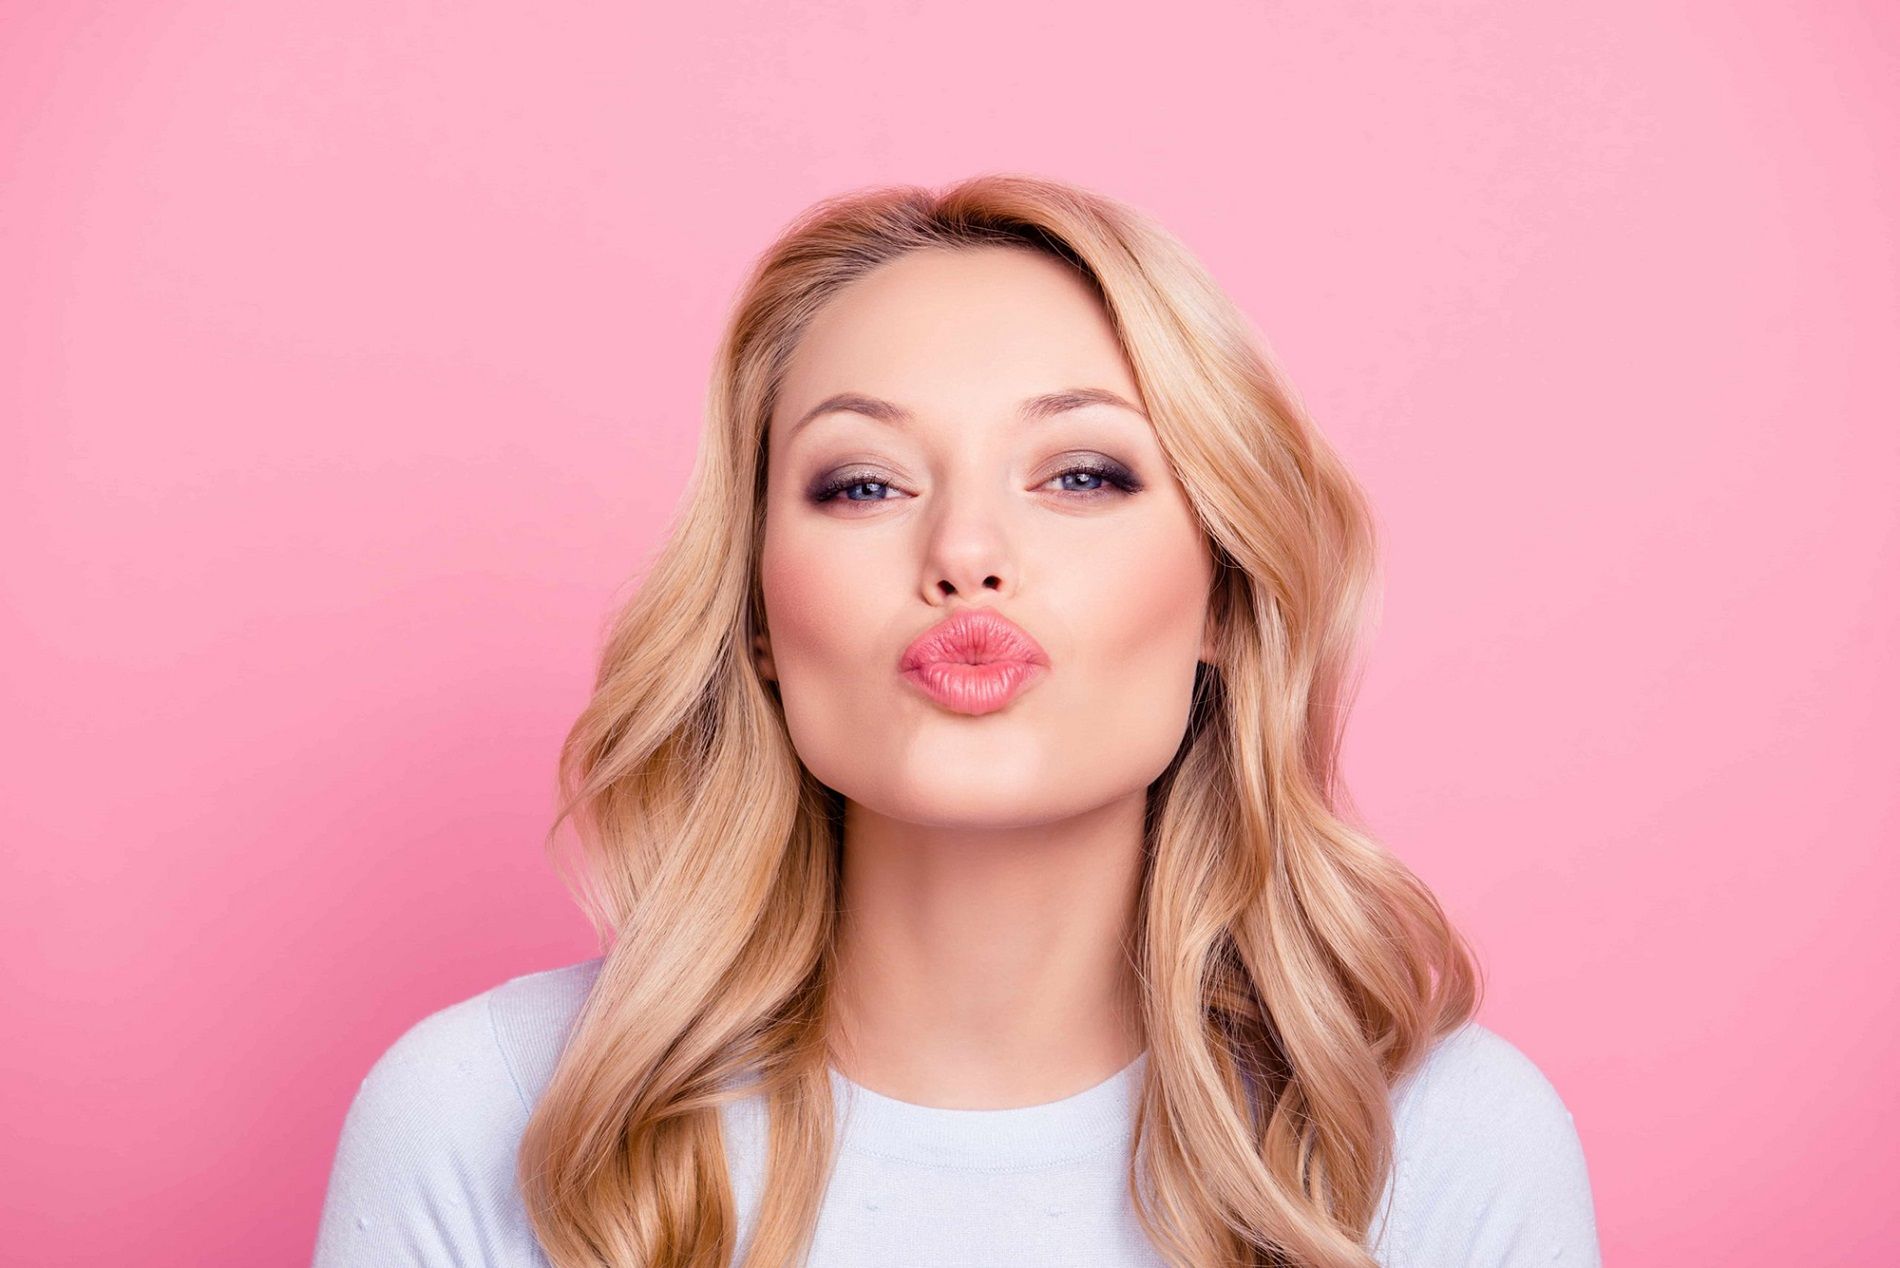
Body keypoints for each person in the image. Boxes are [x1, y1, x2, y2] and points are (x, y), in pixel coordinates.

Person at [312, 174, 1601, 1267]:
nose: (966, 552)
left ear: (1225, 590)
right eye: (863, 483)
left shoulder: (1435, 1143)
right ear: (756, 615)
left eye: (1083, 474)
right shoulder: (492, 1118)